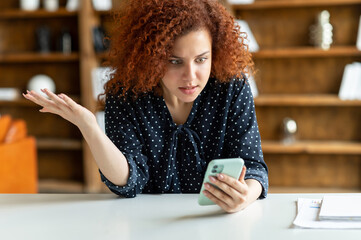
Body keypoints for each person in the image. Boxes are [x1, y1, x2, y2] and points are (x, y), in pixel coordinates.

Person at [23, 0, 268, 213]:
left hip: (217, 220)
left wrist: (246, 195)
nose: (191, 76)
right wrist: (88, 126)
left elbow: (255, 168)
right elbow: (128, 182)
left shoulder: (231, 87)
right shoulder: (126, 94)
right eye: (175, 61)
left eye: (201, 59)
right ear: (152, 57)